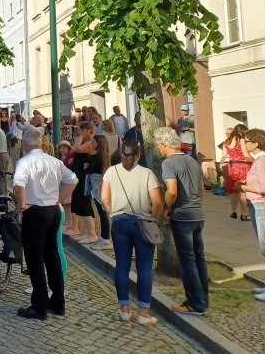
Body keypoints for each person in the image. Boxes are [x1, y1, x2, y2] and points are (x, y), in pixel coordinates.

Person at [13, 127, 78, 320]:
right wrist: (58, 199)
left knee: (35, 259)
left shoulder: (25, 162)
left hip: (36, 211)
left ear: (25, 144)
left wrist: (22, 206)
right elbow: (73, 180)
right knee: (53, 257)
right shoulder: (54, 161)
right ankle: (58, 303)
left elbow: (18, 185)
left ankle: (39, 305)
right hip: (53, 210)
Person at [101, 140, 162, 325]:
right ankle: (143, 312)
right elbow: (157, 202)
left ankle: (124, 309)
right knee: (144, 267)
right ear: (138, 155)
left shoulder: (111, 172)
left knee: (122, 265)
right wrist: (153, 218)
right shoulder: (147, 174)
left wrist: (112, 212)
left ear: (121, 154)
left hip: (119, 221)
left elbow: (104, 197)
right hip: (142, 222)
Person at [156, 127, 209, 316]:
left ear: (163, 144)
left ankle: (195, 303)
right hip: (197, 214)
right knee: (199, 258)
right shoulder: (192, 160)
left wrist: (167, 208)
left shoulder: (169, 163)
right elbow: (201, 190)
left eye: (158, 145)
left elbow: (172, 190)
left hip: (182, 215)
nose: (158, 148)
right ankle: (203, 298)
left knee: (187, 261)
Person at [236, 129, 265, 302]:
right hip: (262, 207)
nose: (245, 144)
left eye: (247, 141)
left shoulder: (262, 161)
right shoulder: (262, 160)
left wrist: (244, 188)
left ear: (256, 143)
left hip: (264, 207)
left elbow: (264, 188)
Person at [71, 122, 98, 244]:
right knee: (82, 203)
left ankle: (92, 234)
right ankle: (89, 233)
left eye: (80, 130)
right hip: (78, 174)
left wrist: (82, 136)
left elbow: (77, 148)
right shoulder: (84, 141)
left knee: (84, 203)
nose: (78, 132)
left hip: (83, 176)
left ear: (87, 130)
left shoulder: (91, 142)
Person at [86, 134, 112, 250]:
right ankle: (104, 237)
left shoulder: (97, 156)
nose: (91, 144)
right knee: (102, 212)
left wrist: (86, 165)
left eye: (93, 142)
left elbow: (88, 169)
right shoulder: (104, 155)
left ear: (99, 143)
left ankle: (105, 238)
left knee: (102, 213)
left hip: (97, 185)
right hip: (100, 183)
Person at [221, 124, 251, 220]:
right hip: (243, 166)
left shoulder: (226, 141)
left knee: (234, 192)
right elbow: (246, 155)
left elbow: (225, 155)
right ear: (241, 131)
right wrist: (255, 160)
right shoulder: (241, 140)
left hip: (232, 166)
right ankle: (244, 214)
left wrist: (233, 156)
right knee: (243, 190)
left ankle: (233, 212)